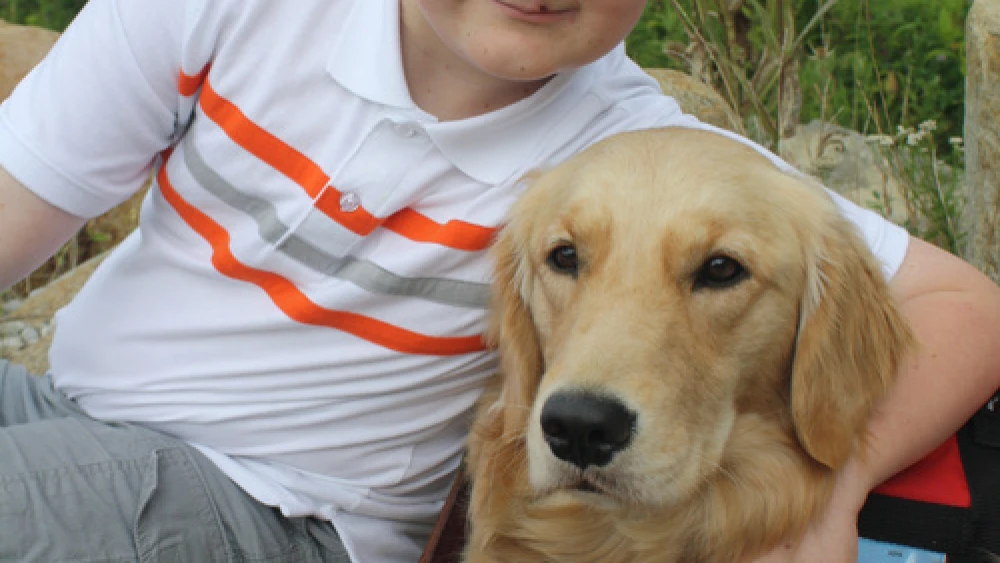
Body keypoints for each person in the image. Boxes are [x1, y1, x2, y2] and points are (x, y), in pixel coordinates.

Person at [0, 1, 997, 562]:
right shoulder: (222, 8)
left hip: (274, 508)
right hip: (63, 405)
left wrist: (836, 482)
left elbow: (967, 307)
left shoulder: (640, 156)